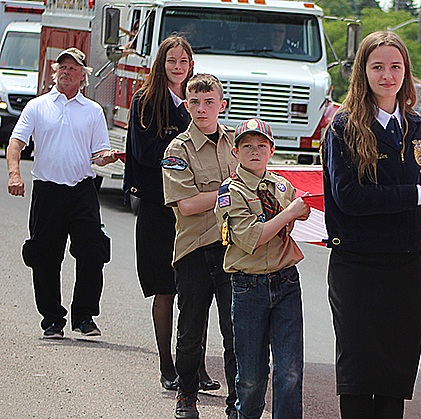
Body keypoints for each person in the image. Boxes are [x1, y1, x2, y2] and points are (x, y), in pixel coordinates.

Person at [323, 31, 421, 418]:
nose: (387, 75)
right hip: (358, 263)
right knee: (360, 371)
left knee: (396, 370)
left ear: (406, 72)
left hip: (405, 261)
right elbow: (350, 198)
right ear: (363, 72)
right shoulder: (342, 128)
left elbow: (408, 175)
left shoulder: (416, 126)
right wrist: (415, 194)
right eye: (377, 67)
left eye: (395, 67)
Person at [124, 35, 219, 393]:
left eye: (184, 61)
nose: (178, 67)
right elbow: (146, 153)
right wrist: (183, 149)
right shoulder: (146, 102)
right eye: (172, 61)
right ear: (161, 63)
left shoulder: (196, 101)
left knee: (198, 292)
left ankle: (195, 367)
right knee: (165, 290)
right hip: (158, 208)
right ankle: (167, 364)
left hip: (197, 215)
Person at [5, 47, 118, 339]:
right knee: (43, 255)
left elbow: (98, 153)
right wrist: (14, 175)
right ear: (55, 72)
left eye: (72, 68)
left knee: (93, 252)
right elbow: (16, 144)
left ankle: (84, 316)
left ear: (83, 76)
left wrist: (106, 157)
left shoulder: (92, 111)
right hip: (47, 191)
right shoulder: (37, 106)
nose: (66, 71)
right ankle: (52, 320)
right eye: (62, 67)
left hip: (82, 190)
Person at [216, 118, 311, 419]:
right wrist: (291, 213)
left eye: (261, 146)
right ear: (235, 152)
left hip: (285, 283)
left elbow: (295, 219)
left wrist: (298, 213)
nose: (254, 151)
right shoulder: (230, 192)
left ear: (272, 150)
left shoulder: (282, 186)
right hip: (249, 287)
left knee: (290, 371)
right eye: (247, 146)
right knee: (251, 376)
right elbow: (251, 238)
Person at [163, 73, 239, 419]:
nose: (201, 109)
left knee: (235, 332)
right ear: (186, 104)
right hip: (193, 250)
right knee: (191, 331)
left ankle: (237, 402)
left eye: (209, 102)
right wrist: (230, 189)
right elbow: (188, 205)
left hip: (232, 250)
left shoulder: (237, 143)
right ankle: (186, 396)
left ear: (222, 105)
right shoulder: (178, 149)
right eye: (194, 102)